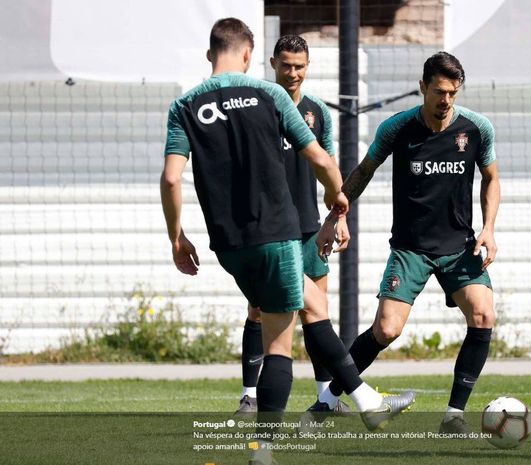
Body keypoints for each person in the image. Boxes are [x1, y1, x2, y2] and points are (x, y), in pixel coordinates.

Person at [160, 17, 414, 465]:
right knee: (281, 342)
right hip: (276, 233)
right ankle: (266, 449)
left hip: (229, 245)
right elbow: (318, 156)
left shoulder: (184, 105)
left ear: (210, 54)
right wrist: (339, 200)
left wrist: (177, 237)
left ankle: (363, 399)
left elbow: (170, 178)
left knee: (313, 308)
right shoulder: (269, 95)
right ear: (249, 55)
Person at [313, 51, 500, 434]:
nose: (445, 100)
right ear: (422, 88)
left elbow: (491, 179)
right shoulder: (397, 128)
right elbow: (363, 171)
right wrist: (335, 217)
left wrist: (489, 228)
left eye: (452, 92)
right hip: (410, 249)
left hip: (459, 246)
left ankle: (454, 416)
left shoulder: (477, 129)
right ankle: (328, 400)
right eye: (438, 91)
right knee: (386, 330)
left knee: (483, 315)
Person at [235, 34, 350, 416]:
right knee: (257, 311)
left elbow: (329, 169)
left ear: (308, 66)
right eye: (286, 65)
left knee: (317, 311)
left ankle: (324, 397)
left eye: (299, 66)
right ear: (272, 64)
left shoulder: (318, 113)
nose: (293, 73)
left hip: (308, 228)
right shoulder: (258, 108)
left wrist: (337, 218)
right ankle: (249, 396)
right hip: (268, 232)